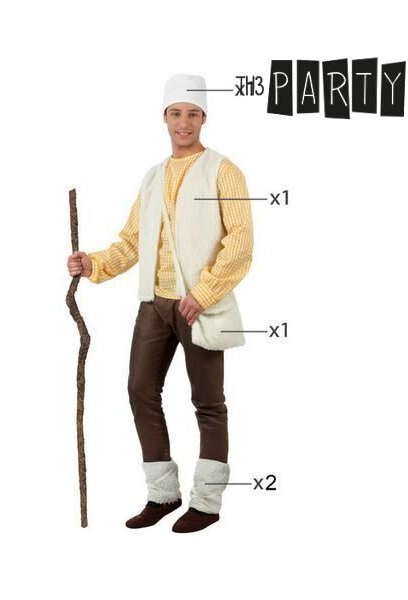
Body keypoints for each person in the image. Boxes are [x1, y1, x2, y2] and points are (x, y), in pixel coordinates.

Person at [67, 74, 253, 533]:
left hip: (199, 305)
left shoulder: (224, 170)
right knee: (139, 390)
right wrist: (92, 264)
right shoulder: (152, 178)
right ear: (164, 118)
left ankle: (206, 503)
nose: (183, 122)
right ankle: (163, 494)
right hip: (154, 303)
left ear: (204, 118)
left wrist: (204, 293)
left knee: (208, 402)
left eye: (192, 114)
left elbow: (240, 243)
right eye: (175, 114)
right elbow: (133, 242)